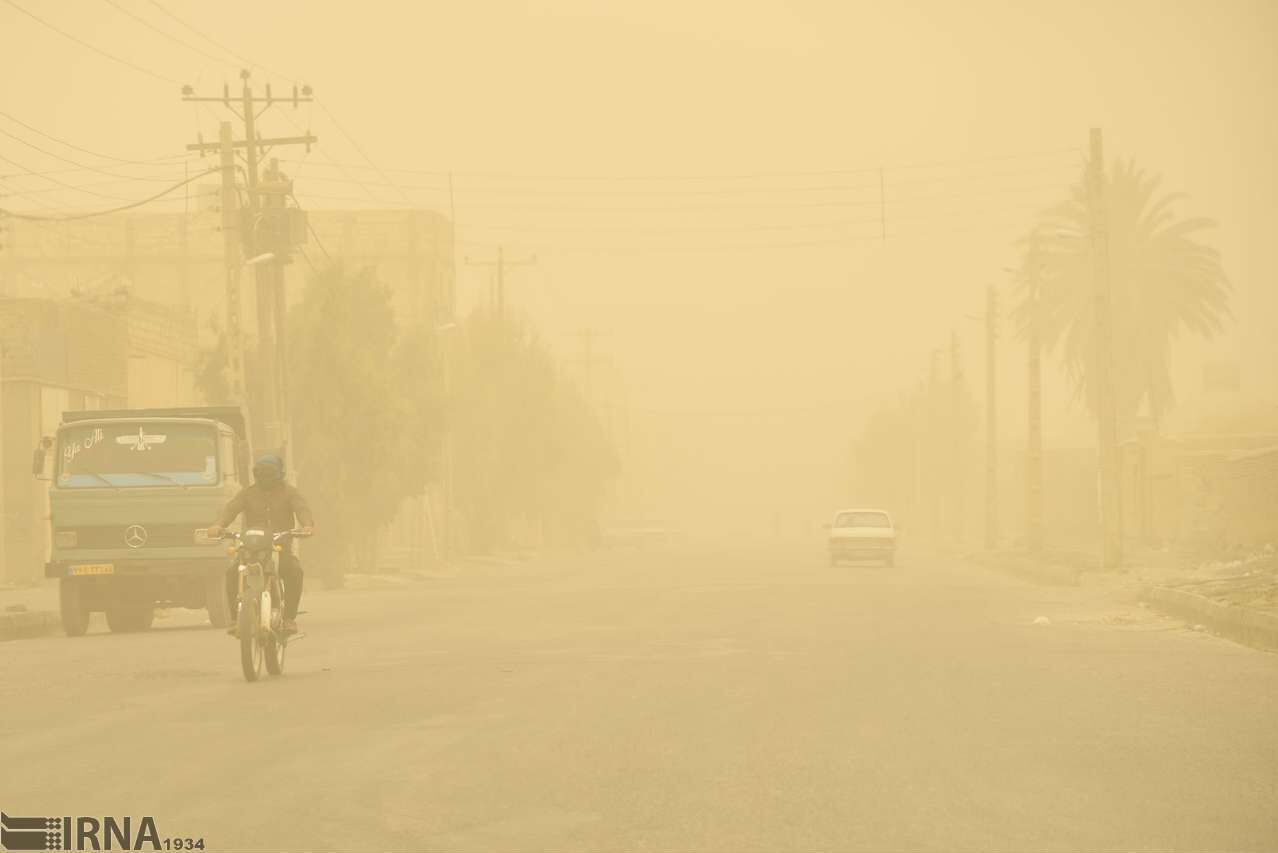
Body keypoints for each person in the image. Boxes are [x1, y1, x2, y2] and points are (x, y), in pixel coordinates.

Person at [207, 454, 314, 635]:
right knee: (232, 573)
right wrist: (218, 525)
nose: (265, 477)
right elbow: (231, 509)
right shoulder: (248, 493)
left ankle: (289, 619)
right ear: (256, 474)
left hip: (279, 549)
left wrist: (307, 526)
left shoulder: (290, 493)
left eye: (269, 473)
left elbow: (302, 508)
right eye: (261, 473)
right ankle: (235, 619)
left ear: (279, 473)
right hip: (251, 549)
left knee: (295, 571)